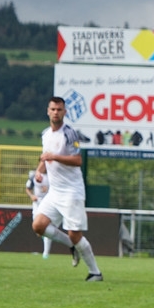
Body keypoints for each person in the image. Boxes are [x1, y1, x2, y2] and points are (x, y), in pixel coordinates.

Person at [31, 96, 104, 281]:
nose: (56, 112)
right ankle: (71, 246)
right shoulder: (45, 134)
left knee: (75, 234)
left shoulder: (69, 134)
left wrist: (54, 157)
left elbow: (77, 160)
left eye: (59, 109)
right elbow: (45, 158)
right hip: (54, 192)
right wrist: (39, 171)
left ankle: (95, 272)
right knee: (38, 225)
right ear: (48, 111)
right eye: (53, 109)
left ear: (65, 112)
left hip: (72, 191)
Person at [26, 168, 54, 258]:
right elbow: (28, 188)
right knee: (37, 228)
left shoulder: (52, 175)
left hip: (48, 203)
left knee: (46, 226)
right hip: (37, 203)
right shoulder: (34, 176)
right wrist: (32, 196)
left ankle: (46, 253)